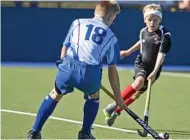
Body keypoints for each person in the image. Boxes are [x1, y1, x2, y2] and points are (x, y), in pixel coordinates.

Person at [26, 0, 127, 139]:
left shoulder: (77, 23)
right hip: (89, 74)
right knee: (94, 96)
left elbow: (65, 47)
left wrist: (62, 64)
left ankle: (34, 132)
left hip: (67, 67)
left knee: (55, 93)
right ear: (109, 17)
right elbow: (112, 70)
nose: (113, 22)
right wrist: (118, 98)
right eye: (114, 18)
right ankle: (85, 134)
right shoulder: (112, 37)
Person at [103, 3, 172, 127]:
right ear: (145, 20)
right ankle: (113, 105)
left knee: (136, 95)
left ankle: (116, 112)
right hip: (142, 63)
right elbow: (142, 42)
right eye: (149, 20)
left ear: (160, 20)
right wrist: (128, 51)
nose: (152, 23)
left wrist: (155, 72)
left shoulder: (165, 35)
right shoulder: (143, 31)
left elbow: (161, 55)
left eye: (155, 20)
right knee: (138, 83)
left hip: (155, 67)